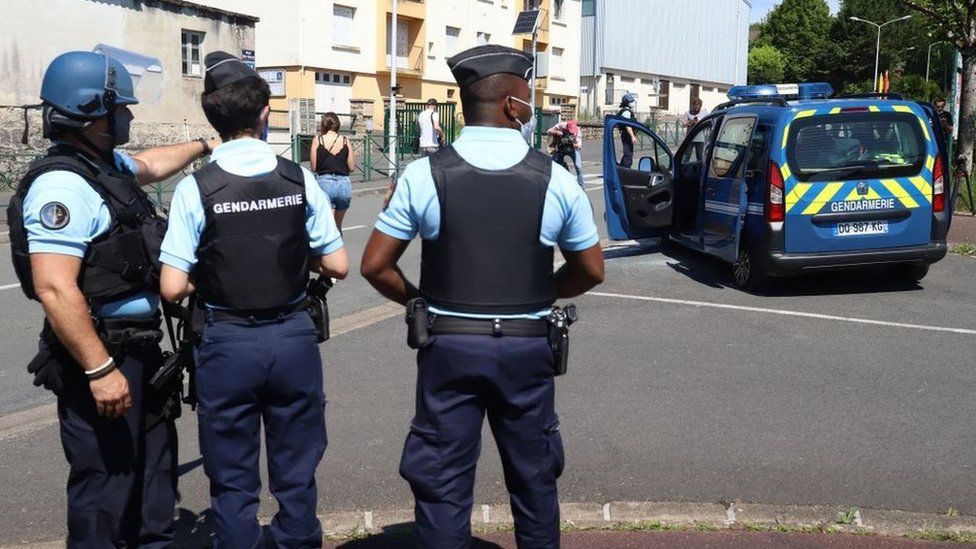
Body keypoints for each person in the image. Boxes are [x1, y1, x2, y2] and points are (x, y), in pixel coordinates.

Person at [361, 44, 605, 549]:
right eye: (528, 99)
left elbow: (374, 266)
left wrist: (419, 302)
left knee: (442, 482)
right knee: (535, 480)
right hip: (526, 346)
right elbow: (591, 269)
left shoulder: (424, 175)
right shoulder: (554, 179)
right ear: (512, 106)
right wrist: (543, 291)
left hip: (448, 346)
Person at [6, 50, 218, 548]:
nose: (128, 114)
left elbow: (149, 164)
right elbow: (54, 287)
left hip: (139, 353)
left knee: (151, 481)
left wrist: (207, 144)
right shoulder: (63, 186)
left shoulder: (104, 166)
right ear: (89, 113)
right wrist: (100, 370)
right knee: (105, 488)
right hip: (101, 357)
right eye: (119, 108)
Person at [159, 51, 349, 548]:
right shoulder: (296, 178)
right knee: (296, 467)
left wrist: (217, 270)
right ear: (264, 114)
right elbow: (338, 265)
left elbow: (173, 286)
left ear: (212, 118)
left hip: (226, 340)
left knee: (231, 472)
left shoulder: (195, 187)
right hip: (292, 336)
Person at [310, 112, 356, 231]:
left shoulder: (317, 140)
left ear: (323, 125)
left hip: (324, 183)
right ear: (337, 125)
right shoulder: (346, 141)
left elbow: (314, 167)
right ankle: (339, 247)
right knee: (338, 226)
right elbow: (352, 167)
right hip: (343, 184)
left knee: (327, 228)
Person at [547, 118, 585, 188]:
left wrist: (571, 143)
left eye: (573, 132)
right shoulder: (561, 125)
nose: (571, 133)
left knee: (578, 167)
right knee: (552, 164)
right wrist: (557, 132)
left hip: (573, 149)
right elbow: (548, 131)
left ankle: (581, 188)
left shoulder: (578, 131)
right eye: (570, 131)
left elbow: (579, 146)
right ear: (567, 127)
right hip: (561, 148)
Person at [617, 93, 638, 167]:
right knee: (628, 156)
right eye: (631, 101)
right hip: (627, 136)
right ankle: (625, 171)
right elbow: (627, 125)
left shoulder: (627, 111)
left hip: (626, 135)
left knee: (628, 154)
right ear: (627, 102)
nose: (632, 103)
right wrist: (632, 136)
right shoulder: (626, 112)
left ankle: (621, 168)